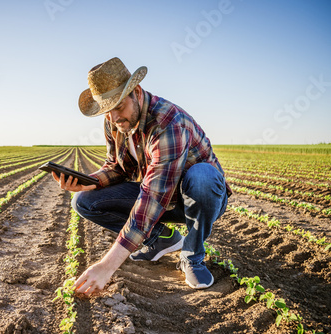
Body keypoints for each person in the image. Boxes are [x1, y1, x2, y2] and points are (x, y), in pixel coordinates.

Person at [52, 57, 231, 295]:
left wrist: (107, 266)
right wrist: (87, 182)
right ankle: (161, 239)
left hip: (199, 199)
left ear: (136, 92)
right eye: (107, 111)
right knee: (84, 201)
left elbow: (153, 197)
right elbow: (117, 166)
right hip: (162, 197)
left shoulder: (166, 122)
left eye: (118, 106)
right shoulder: (114, 122)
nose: (114, 118)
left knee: (202, 177)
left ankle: (192, 256)